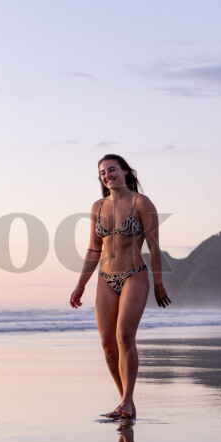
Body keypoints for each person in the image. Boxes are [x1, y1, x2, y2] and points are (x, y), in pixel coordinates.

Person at [70, 154, 171, 420]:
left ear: (126, 171)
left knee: (125, 336)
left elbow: (154, 247)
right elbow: (94, 248)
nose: (107, 175)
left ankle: (127, 401)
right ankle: (124, 401)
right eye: (102, 172)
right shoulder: (97, 206)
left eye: (112, 169)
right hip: (105, 278)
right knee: (107, 345)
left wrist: (159, 283)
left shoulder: (141, 203)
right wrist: (80, 284)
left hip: (134, 275)